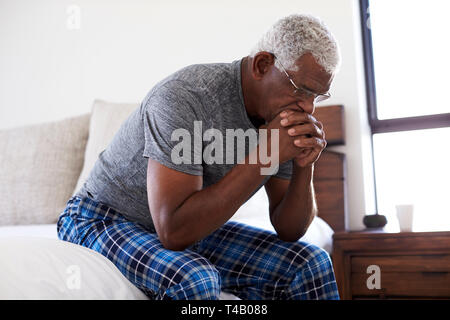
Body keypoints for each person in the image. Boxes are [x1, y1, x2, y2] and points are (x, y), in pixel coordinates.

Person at [57, 13, 341, 300]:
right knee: (195, 280)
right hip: (102, 217)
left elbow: (289, 230)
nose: (308, 107)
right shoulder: (185, 97)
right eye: (301, 90)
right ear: (263, 65)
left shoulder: (280, 119)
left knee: (309, 264)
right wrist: (267, 155)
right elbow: (174, 232)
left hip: (193, 226)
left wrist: (305, 166)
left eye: (318, 96)